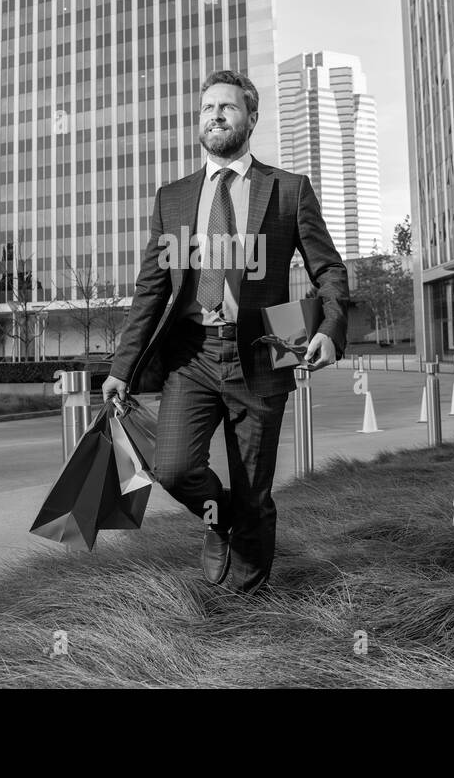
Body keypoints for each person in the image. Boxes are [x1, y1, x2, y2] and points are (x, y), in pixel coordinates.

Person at [102, 69, 349, 595]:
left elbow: (328, 269)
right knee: (173, 468)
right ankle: (219, 521)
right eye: (207, 108)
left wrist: (329, 327)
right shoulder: (172, 198)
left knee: (254, 488)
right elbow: (151, 289)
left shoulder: (288, 190)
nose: (214, 115)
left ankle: (246, 602)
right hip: (190, 356)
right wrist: (121, 367)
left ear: (251, 118)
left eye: (228, 107)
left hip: (263, 352)